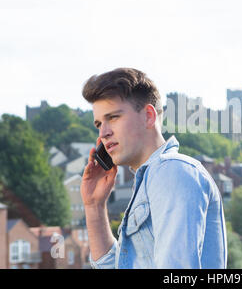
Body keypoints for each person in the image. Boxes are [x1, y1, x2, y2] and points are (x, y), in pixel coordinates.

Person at [80, 67, 227, 269]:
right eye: (98, 124)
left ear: (148, 116)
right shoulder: (150, 180)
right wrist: (94, 206)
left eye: (113, 117)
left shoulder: (172, 172)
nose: (103, 133)